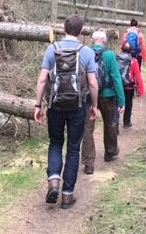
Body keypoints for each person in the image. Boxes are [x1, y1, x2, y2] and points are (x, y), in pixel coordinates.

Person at [34, 14, 98, 209]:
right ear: (80, 31)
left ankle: (53, 181)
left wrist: (38, 105)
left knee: (55, 143)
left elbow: (43, 80)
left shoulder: (51, 49)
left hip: (54, 105)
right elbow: (93, 83)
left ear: (63, 28)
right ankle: (67, 195)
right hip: (77, 106)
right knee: (73, 148)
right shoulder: (86, 52)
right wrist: (94, 106)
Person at [81, 31, 125, 175]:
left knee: (88, 128)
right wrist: (121, 100)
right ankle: (110, 152)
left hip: (88, 95)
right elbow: (116, 78)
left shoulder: (83, 52)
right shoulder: (110, 55)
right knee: (110, 123)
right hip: (107, 95)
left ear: (93, 40)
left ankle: (88, 163)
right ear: (105, 41)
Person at [118, 42, 145, 128]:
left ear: (122, 49)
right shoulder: (134, 61)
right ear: (131, 51)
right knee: (128, 104)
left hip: (118, 86)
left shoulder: (116, 59)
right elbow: (137, 76)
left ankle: (115, 123)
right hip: (129, 87)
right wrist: (140, 90)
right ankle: (126, 122)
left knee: (117, 104)